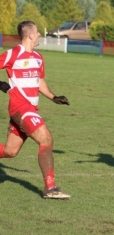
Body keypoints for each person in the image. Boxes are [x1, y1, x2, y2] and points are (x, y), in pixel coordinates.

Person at [0, 20, 71, 199]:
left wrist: (53, 97)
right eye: (38, 32)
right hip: (20, 106)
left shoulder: (38, 58)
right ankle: (50, 188)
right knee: (46, 138)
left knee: (10, 151)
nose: (39, 35)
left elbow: (39, 81)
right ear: (30, 35)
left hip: (30, 108)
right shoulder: (13, 54)